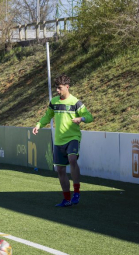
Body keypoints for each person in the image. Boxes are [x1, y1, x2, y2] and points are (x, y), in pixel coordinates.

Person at [32, 74, 93, 207]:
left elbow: (89, 116)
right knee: (60, 170)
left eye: (59, 88)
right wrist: (38, 125)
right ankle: (67, 199)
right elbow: (47, 117)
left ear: (67, 87)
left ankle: (76, 192)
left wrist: (81, 119)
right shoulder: (54, 102)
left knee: (72, 160)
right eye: (56, 88)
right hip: (59, 140)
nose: (57, 91)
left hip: (73, 138)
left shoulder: (76, 102)